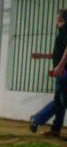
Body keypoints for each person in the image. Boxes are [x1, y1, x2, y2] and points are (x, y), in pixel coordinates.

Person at [29, 10, 67, 138]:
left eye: (57, 19)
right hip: (62, 72)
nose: (55, 22)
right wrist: (42, 56)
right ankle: (55, 129)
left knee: (61, 101)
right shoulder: (61, 33)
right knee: (61, 102)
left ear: (60, 19)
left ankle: (37, 119)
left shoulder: (65, 29)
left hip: (63, 72)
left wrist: (60, 66)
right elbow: (58, 54)